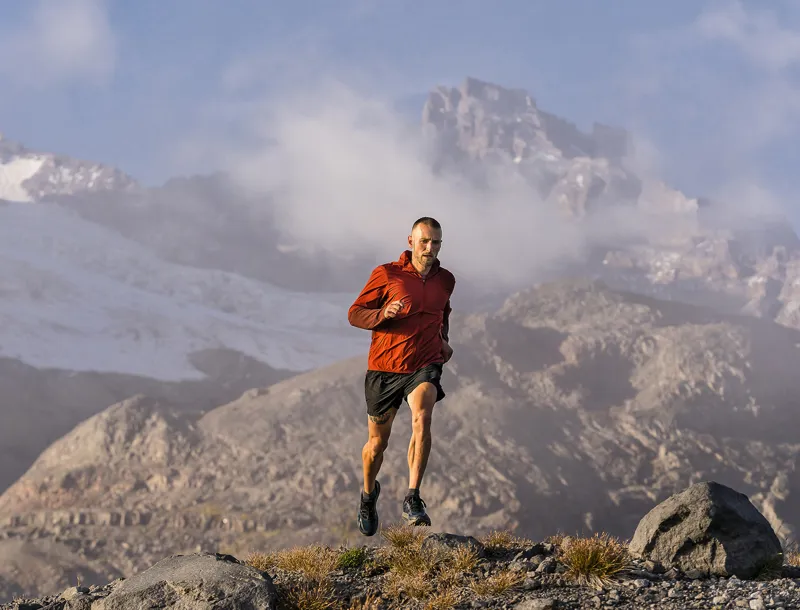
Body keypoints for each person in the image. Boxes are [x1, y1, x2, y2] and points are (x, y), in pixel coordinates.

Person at [347, 216, 456, 536]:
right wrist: (383, 313)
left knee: (423, 416)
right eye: (424, 241)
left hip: (425, 363)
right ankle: (368, 494)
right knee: (376, 445)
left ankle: (413, 497)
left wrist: (444, 340)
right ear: (411, 242)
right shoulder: (387, 274)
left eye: (436, 242)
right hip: (385, 367)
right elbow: (354, 314)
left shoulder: (446, 280)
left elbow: (443, 313)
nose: (430, 248)